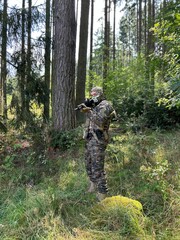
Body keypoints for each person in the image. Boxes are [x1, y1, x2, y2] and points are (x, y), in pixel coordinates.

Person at [79, 86, 116, 201]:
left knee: (98, 167)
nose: (92, 95)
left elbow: (100, 121)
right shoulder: (94, 106)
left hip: (99, 140)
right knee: (89, 164)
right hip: (90, 139)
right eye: (91, 93)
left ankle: (102, 195)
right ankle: (92, 186)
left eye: (94, 93)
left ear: (100, 94)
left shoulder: (106, 105)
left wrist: (88, 111)